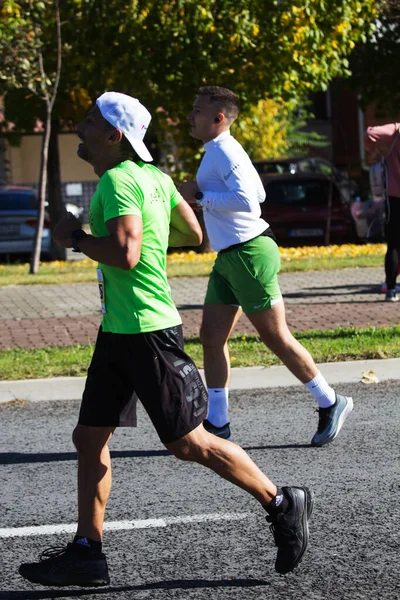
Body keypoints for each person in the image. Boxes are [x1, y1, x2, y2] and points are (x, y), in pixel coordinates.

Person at [19, 92, 314, 587]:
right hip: (119, 331)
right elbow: (193, 231)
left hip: (147, 332)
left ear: (114, 135)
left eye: (89, 121)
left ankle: (283, 502)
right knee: (89, 437)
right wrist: (149, 231)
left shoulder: (116, 180)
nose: (78, 128)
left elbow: (127, 254)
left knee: (189, 442)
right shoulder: (155, 178)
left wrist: (73, 237)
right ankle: (88, 552)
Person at [179, 85, 353, 444]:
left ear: (219, 117)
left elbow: (249, 203)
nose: (190, 116)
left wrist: (199, 196)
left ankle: (330, 400)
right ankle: (218, 422)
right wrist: (199, 192)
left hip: (249, 252)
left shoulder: (226, 150)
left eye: (197, 110)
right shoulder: (217, 150)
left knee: (275, 336)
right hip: (230, 255)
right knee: (211, 338)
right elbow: (258, 191)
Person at [364, 122, 400, 302]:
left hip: (395, 199)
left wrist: (376, 151)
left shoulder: (395, 132)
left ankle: (391, 288)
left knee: (393, 244)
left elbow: (369, 133)